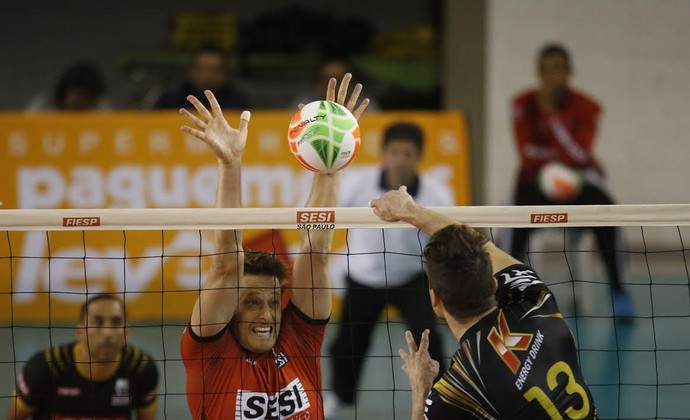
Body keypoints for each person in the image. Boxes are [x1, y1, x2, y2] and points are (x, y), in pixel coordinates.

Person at [179, 74, 369, 419]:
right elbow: (225, 266)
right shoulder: (211, 355)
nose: (267, 315)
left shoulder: (298, 341)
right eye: (251, 302)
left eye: (271, 302)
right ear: (229, 310)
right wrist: (230, 164)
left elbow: (315, 250)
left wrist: (331, 156)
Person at [370, 186, 598, 419]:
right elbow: (483, 247)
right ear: (492, 284)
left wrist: (421, 387)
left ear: (434, 300)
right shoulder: (535, 300)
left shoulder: (457, 388)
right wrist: (410, 210)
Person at [324, 122, 452, 416]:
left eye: (408, 154)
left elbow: (446, 240)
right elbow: (325, 213)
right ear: (384, 153)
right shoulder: (358, 182)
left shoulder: (436, 194)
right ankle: (341, 396)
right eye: (394, 152)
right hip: (363, 277)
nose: (400, 160)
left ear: (418, 157)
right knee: (346, 344)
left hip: (412, 277)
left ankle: (443, 397)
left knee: (429, 342)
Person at [506, 42, 633, 317]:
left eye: (559, 69)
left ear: (570, 71)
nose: (554, 76)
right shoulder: (521, 104)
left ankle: (619, 289)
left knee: (609, 211)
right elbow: (527, 154)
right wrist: (569, 155)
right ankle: (510, 292)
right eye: (548, 70)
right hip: (533, 183)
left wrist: (553, 118)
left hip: (576, 185)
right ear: (538, 73)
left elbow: (581, 153)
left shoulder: (588, 107)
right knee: (509, 218)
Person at [8, 294, 159, 419]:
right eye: (98, 322)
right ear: (80, 330)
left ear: (127, 331)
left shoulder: (141, 368)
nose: (107, 333)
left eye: (116, 322)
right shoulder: (44, 368)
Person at [154, 46, 250, 110]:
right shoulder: (171, 100)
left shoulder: (237, 102)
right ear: (192, 70)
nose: (208, 75)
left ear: (224, 73)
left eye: (214, 70)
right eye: (203, 69)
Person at [291, 58, 380, 111]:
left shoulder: (364, 105)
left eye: (339, 78)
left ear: (350, 81)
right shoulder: (305, 101)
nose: (332, 84)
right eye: (327, 79)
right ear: (319, 81)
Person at [26, 61, 111, 111]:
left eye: (87, 97)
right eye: (78, 95)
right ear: (64, 92)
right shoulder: (43, 104)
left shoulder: (100, 106)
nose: (81, 102)